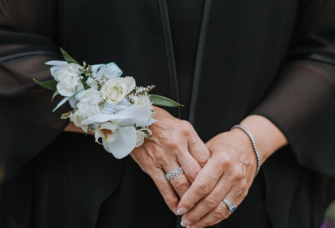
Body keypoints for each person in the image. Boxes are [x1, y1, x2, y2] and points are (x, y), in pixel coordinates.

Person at [0, 0, 335, 227]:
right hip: (84, 199)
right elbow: (9, 44)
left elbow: (326, 44)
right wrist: (132, 119)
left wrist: (252, 142)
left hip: (261, 201)